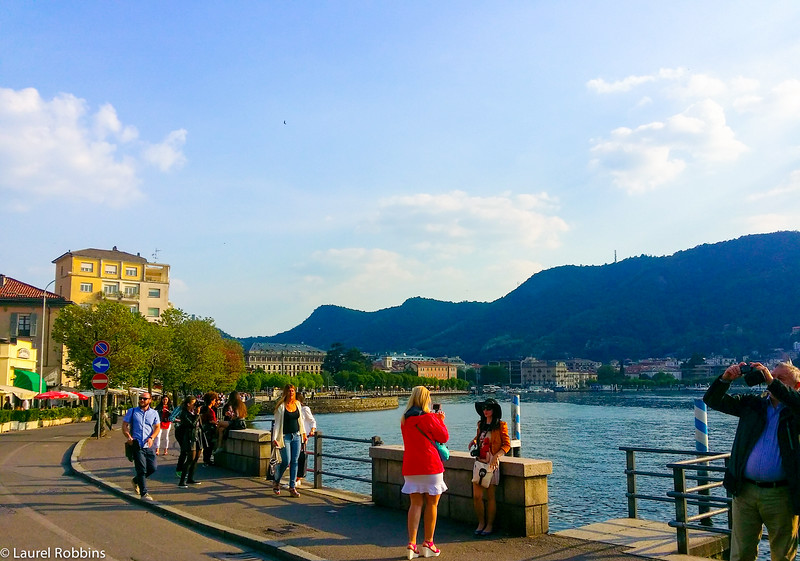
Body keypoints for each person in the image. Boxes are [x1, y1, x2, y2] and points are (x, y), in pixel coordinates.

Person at [704, 361, 800, 561]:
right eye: (770, 375)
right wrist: (725, 380)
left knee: (782, 554)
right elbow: (713, 400)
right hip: (745, 492)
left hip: (782, 495)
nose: (770, 381)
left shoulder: (795, 410)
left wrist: (771, 381)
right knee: (741, 553)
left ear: (797, 386)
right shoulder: (753, 405)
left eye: (780, 378)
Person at [400, 386, 448, 559]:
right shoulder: (429, 418)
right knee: (432, 504)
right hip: (431, 466)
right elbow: (443, 437)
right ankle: (429, 543)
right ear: (425, 399)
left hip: (411, 466)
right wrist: (440, 420)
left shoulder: (404, 419)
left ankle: (411, 544)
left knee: (415, 504)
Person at [468, 397, 510, 537]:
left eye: (488, 408)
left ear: (494, 411)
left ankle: (489, 525)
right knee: (477, 496)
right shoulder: (481, 424)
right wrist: (474, 440)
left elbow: (506, 444)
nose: (485, 411)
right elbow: (480, 437)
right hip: (479, 462)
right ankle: (481, 522)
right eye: (484, 409)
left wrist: (497, 455)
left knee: (491, 496)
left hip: (491, 464)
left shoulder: (501, 425)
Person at [122, 392, 161, 501]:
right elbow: (124, 426)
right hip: (137, 444)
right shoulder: (132, 411)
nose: (142, 400)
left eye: (144, 399)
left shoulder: (154, 413)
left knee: (153, 468)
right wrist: (128, 436)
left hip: (149, 445)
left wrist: (152, 437)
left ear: (150, 400)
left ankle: (136, 480)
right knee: (141, 469)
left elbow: (157, 427)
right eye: (140, 398)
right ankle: (144, 493)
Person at [271, 384, 307, 497]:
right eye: (289, 391)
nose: (291, 393)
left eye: (293, 391)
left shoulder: (297, 404)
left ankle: (292, 487)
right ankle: (276, 480)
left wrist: (303, 434)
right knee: (286, 460)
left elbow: (300, 420)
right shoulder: (281, 407)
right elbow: (276, 424)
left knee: (295, 461)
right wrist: (275, 438)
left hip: (296, 435)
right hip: (285, 437)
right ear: (285, 393)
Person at [175, 395, 202, 488]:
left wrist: (197, 414)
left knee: (196, 458)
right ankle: (182, 481)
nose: (195, 405)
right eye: (193, 403)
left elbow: (199, 424)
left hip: (197, 436)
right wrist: (197, 415)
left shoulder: (192, 412)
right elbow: (192, 425)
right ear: (188, 404)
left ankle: (190, 478)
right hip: (190, 437)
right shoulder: (184, 413)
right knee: (190, 458)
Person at [295, 392, 317, 488]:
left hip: (302, 436)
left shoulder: (305, 409)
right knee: (292, 458)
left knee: (299, 457)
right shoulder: (291, 409)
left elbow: (312, 421)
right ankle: (294, 479)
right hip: (293, 434)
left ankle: (297, 478)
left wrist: (312, 430)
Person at [200, 392, 219, 465]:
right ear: (211, 400)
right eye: (215, 400)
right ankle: (207, 460)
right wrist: (217, 422)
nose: (215, 401)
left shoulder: (203, 408)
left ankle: (206, 459)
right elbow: (212, 421)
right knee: (210, 445)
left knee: (206, 446)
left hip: (204, 429)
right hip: (209, 430)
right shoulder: (210, 411)